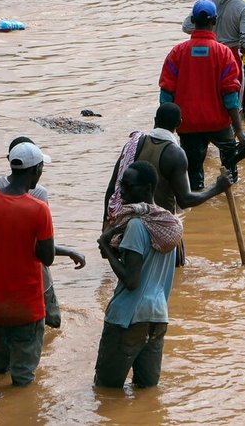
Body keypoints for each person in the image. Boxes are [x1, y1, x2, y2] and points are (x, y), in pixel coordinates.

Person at [0, 142, 56, 386]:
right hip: (28, 310)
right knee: (23, 380)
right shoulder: (39, 209)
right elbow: (47, 258)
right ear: (36, 170)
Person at [94, 162, 184, 390]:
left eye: (128, 186)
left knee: (106, 392)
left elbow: (132, 280)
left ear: (147, 189)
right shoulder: (168, 225)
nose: (122, 192)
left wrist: (105, 246)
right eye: (121, 185)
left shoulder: (135, 225)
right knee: (146, 392)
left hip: (127, 318)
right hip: (157, 317)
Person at [0, 136, 86, 328]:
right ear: (37, 168)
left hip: (0, 280)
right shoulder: (38, 194)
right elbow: (43, 249)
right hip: (34, 279)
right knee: (52, 322)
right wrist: (69, 252)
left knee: (5, 326)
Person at [163, 0, 245, 191]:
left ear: (192, 21)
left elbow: (166, 94)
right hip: (219, 124)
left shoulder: (177, 53)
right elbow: (230, 96)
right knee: (230, 172)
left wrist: (165, 130)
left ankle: (198, 202)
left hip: (187, 124)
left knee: (193, 178)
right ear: (214, 21)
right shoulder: (224, 53)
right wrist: (238, 130)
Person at [102, 104, 233, 223]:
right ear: (179, 123)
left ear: (155, 120)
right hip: (159, 225)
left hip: (127, 220)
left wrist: (106, 222)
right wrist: (217, 188)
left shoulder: (134, 144)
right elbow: (185, 200)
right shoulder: (176, 154)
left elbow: (112, 187)